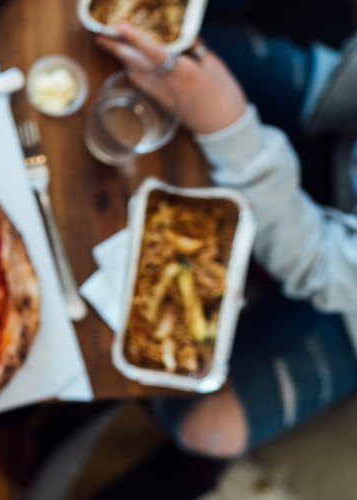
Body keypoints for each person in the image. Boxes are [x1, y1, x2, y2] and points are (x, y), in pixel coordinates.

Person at [97, 23, 357, 458]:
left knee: (208, 429)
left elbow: (320, 262)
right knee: (151, 46)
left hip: (345, 301)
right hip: (340, 110)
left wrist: (227, 126)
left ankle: (104, 391)